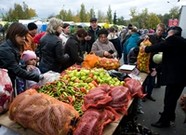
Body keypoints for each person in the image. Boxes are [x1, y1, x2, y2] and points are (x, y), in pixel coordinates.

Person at [142, 26, 186, 128]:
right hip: (181, 78)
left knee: (169, 99)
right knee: (173, 98)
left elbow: (160, 46)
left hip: (175, 78)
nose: (167, 36)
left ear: (172, 33)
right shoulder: (182, 42)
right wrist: (157, 69)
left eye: (168, 34)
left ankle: (164, 121)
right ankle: (170, 116)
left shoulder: (174, 39)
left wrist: (146, 48)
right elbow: (171, 59)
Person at [0, 22, 44, 96]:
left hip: (10, 81)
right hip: (4, 84)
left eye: (24, 36)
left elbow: (16, 65)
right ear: (14, 36)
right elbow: (16, 69)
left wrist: (25, 66)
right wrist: (38, 77)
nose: (24, 39)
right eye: (21, 36)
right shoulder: (5, 50)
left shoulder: (13, 47)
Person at [142, 23, 166, 102]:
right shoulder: (150, 37)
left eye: (162, 31)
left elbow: (163, 56)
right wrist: (144, 38)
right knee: (144, 81)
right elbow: (139, 43)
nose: (160, 32)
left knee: (152, 82)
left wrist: (157, 68)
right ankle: (143, 95)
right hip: (146, 62)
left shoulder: (163, 41)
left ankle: (149, 95)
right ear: (156, 29)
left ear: (163, 32)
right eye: (159, 30)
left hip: (155, 65)